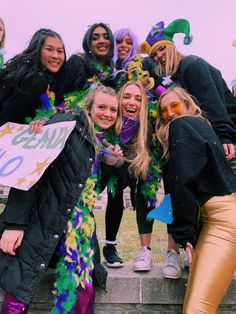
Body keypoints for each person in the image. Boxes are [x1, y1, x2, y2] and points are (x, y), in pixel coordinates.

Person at [0, 85, 122, 314]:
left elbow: (89, 192)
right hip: (42, 222)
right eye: (102, 107)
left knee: (81, 291)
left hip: (79, 232)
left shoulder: (100, 143)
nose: (108, 113)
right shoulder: (64, 125)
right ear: (89, 107)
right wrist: (15, 224)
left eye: (113, 110)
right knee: (19, 290)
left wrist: (111, 163)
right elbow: (29, 173)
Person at [140, 18, 236, 278]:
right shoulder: (177, 77)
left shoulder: (191, 65)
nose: (158, 55)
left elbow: (214, 103)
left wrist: (226, 136)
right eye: (153, 53)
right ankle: (198, 247)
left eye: (162, 48)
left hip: (224, 135)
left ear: (172, 45)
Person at [155, 85, 236, 313]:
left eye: (175, 105)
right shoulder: (202, 129)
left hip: (223, 220)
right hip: (223, 217)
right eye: (163, 111)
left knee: (197, 310)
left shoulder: (182, 126)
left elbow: (183, 182)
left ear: (188, 105)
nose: (170, 113)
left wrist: (183, 234)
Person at [101, 80, 150, 268]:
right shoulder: (108, 118)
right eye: (127, 97)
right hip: (101, 167)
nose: (132, 102)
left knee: (117, 194)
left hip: (130, 164)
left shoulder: (144, 126)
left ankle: (110, 246)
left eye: (138, 99)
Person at [0, 28, 66, 126]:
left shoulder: (43, 78)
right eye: (49, 49)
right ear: (37, 50)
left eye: (60, 51)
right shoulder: (34, 80)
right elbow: (7, 121)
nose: (55, 56)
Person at [60, 22, 114, 106]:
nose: (101, 41)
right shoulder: (76, 62)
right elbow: (59, 97)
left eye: (106, 37)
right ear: (88, 44)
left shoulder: (111, 74)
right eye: (95, 38)